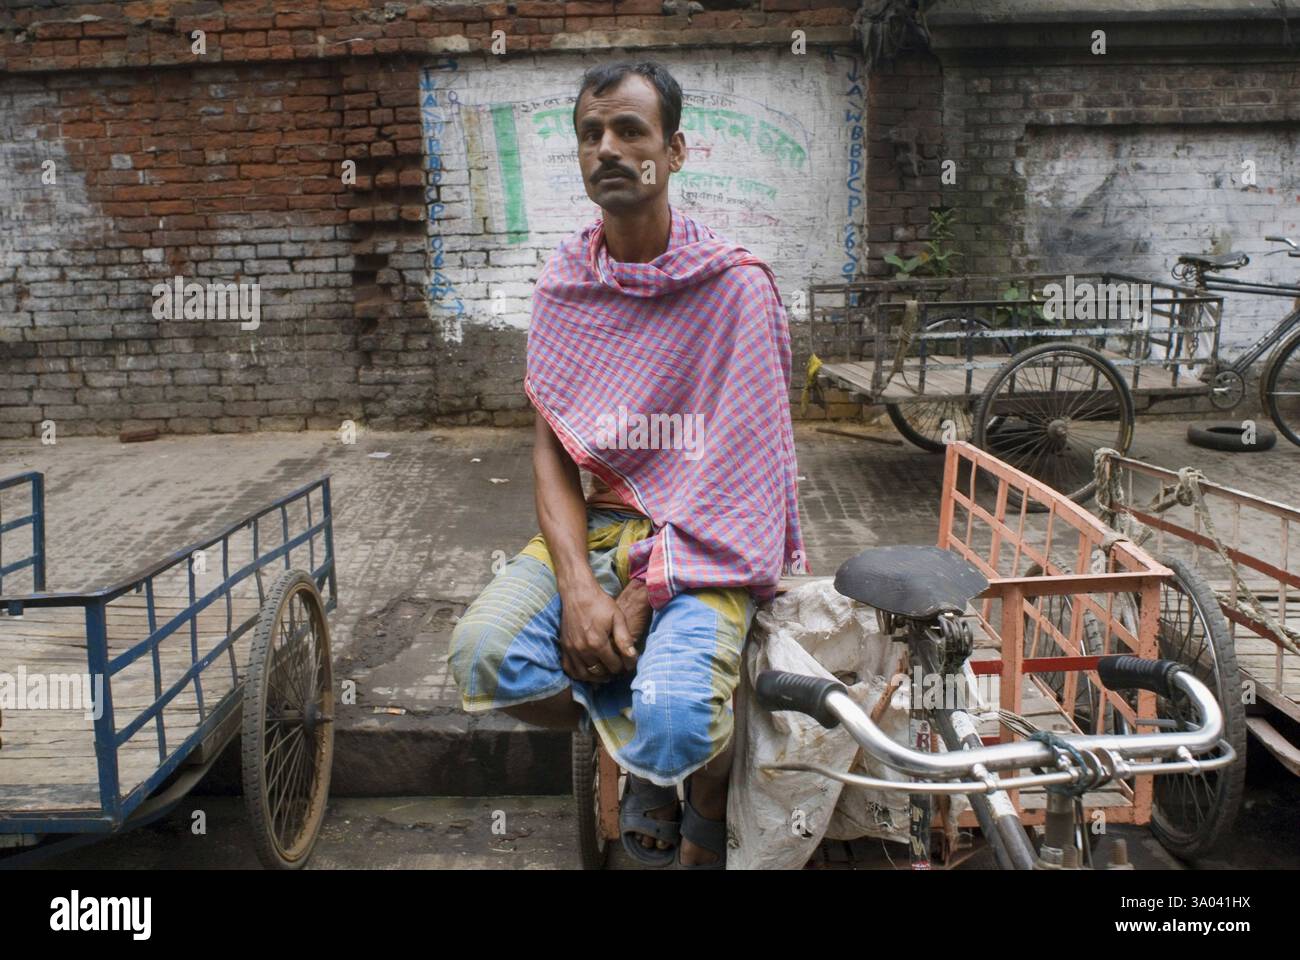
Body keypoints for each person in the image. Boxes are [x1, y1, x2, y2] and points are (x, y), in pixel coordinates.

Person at [447, 60, 806, 869]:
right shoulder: (567, 284)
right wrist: (578, 589)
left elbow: (741, 477)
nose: (606, 148)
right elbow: (551, 448)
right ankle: (646, 757)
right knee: (482, 652)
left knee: (679, 717)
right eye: (589, 133)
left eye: (629, 131)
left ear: (674, 151)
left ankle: (696, 803)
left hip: (705, 546)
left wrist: (635, 604)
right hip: (605, 525)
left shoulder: (735, 288)